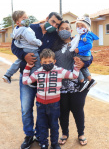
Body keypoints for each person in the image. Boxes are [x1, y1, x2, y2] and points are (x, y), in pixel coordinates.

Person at [11, 12, 64, 149]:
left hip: (44, 79)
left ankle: (40, 135)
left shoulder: (54, 35)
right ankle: (29, 136)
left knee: (42, 110)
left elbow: (65, 48)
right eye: (52, 22)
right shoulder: (29, 28)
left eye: (57, 24)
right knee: (26, 109)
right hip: (27, 75)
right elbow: (14, 46)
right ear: (46, 19)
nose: (54, 26)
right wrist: (24, 56)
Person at [22, 48, 80, 149]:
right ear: (41, 62)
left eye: (50, 61)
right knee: (42, 125)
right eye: (45, 62)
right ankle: (44, 143)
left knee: (54, 125)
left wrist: (76, 65)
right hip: (40, 105)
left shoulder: (60, 71)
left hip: (54, 105)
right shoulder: (38, 72)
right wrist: (27, 67)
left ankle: (54, 143)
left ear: (54, 61)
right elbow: (25, 81)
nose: (47, 63)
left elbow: (74, 75)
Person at [52, 20, 92, 146]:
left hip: (77, 84)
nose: (64, 30)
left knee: (77, 109)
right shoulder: (54, 46)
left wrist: (85, 63)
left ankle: (81, 133)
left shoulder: (77, 42)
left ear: (71, 31)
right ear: (58, 31)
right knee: (63, 111)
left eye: (67, 28)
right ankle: (64, 133)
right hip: (60, 86)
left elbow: (89, 56)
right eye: (61, 28)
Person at [2, 10, 42, 84]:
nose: (27, 19)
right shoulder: (25, 30)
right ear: (17, 22)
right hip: (32, 49)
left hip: (24, 49)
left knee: (17, 62)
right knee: (37, 64)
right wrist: (39, 42)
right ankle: (33, 81)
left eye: (27, 17)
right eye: (24, 18)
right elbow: (31, 40)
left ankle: (8, 74)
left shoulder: (16, 29)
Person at [70, 14, 99, 92]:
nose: (80, 28)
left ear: (87, 26)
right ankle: (91, 80)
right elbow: (76, 37)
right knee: (84, 68)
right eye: (78, 26)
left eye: (82, 26)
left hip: (83, 55)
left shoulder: (87, 36)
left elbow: (89, 45)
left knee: (76, 65)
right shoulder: (81, 35)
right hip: (84, 55)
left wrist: (79, 49)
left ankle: (82, 81)